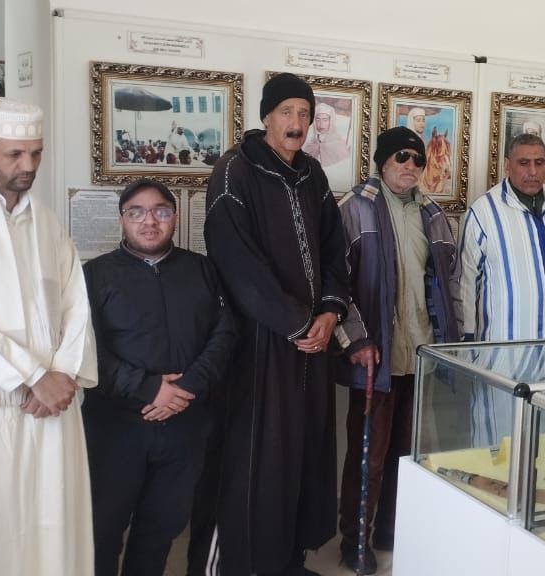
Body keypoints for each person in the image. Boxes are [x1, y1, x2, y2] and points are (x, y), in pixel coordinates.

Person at [188, 72, 352, 576]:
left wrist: (330, 313)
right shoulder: (234, 171)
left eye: (304, 113)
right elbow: (236, 261)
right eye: (287, 112)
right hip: (258, 345)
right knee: (252, 456)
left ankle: (287, 560)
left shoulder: (312, 175)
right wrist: (297, 323)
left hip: (311, 344)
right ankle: (237, 565)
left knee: (302, 454)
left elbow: (334, 249)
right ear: (266, 116)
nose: (296, 123)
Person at [0, 97, 97, 575]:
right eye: (14, 154)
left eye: (36, 153)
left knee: (54, 522)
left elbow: (76, 304)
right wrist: (32, 377)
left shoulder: (47, 223)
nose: (28, 166)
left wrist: (62, 375)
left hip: (53, 406)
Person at [83, 178, 236, 576]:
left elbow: (224, 333)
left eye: (160, 211)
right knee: (102, 531)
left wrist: (186, 388)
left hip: (185, 427)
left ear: (175, 217)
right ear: (122, 220)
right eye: (136, 212)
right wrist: (149, 388)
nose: (149, 221)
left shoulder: (202, 269)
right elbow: (84, 348)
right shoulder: (94, 275)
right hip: (115, 430)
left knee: (160, 530)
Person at [335, 127, 462, 573]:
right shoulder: (354, 208)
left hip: (421, 354)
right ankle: (354, 539)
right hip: (377, 356)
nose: (410, 166)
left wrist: (452, 346)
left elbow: (450, 283)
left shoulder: (433, 213)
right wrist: (356, 339)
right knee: (368, 455)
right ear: (382, 161)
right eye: (401, 157)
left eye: (418, 159)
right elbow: (336, 283)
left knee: (406, 453)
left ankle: (390, 529)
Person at [461, 132, 545, 443]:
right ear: (507, 165)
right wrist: (466, 343)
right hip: (501, 352)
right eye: (523, 163)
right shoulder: (485, 211)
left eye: (539, 163)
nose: (532, 171)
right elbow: (464, 282)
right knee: (498, 430)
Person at [303, 101, 350, 168]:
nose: (321, 124)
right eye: (318, 120)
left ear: (331, 121)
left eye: (325, 120)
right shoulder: (310, 145)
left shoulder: (339, 145)